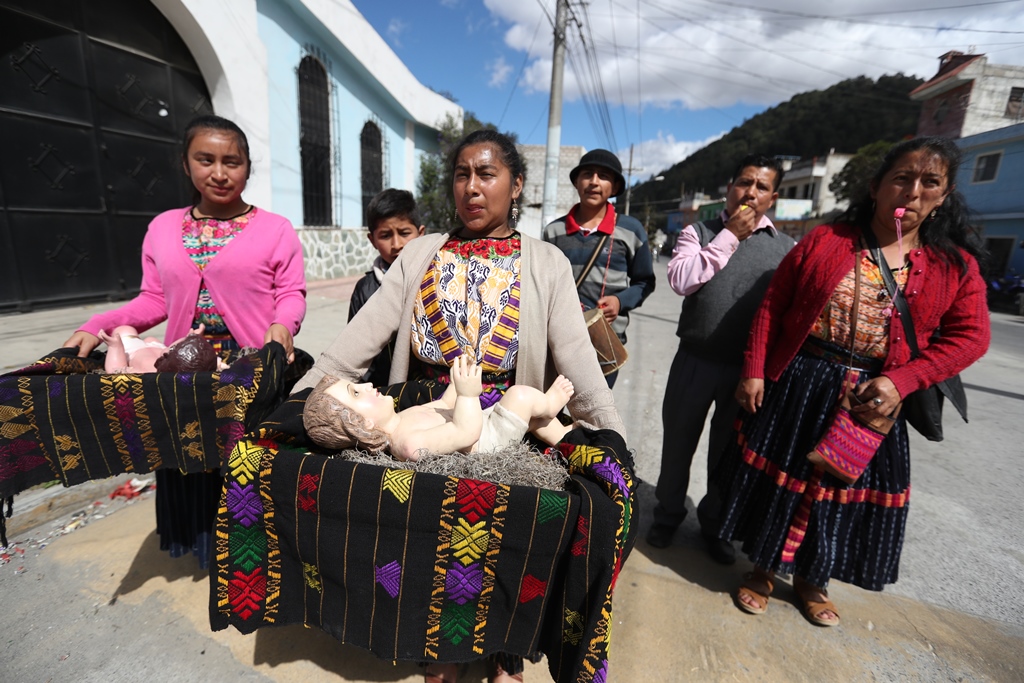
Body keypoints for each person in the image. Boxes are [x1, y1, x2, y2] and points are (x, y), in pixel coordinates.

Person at [293, 129, 624, 683]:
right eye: (462, 174)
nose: (472, 187)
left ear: (516, 185)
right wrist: (302, 399)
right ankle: (439, 652)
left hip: (506, 430)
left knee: (500, 553)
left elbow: (580, 365)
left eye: (487, 174)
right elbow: (356, 342)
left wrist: (610, 437)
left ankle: (501, 651)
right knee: (428, 552)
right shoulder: (420, 253)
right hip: (423, 426)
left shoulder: (545, 262)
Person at [715, 137, 989, 626]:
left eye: (930, 182)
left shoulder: (955, 266)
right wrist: (755, 368)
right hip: (802, 382)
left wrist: (904, 380)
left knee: (839, 494)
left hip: (875, 397)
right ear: (877, 186)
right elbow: (775, 304)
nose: (914, 191)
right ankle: (762, 567)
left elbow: (970, 338)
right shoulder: (829, 240)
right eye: (902, 177)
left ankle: (812, 580)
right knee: (784, 482)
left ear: (944, 196)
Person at [62, 114, 307, 569]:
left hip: (244, 370)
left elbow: (290, 294)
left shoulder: (276, 229)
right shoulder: (162, 228)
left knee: (242, 462)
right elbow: (152, 298)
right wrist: (99, 323)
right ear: (185, 164)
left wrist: (284, 326)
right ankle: (202, 546)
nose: (219, 172)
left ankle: (252, 557)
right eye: (205, 159)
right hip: (178, 374)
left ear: (248, 168)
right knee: (187, 458)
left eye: (231, 161)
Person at [647, 154, 794, 565]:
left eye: (761, 186)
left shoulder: (784, 249)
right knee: (678, 445)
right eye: (744, 182)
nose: (751, 192)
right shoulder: (699, 232)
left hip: (747, 375)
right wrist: (727, 236)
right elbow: (681, 280)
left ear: (774, 197)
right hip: (694, 360)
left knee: (727, 455)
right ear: (729, 187)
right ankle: (667, 515)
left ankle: (715, 526)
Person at [304, 354, 574, 461]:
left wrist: (458, 383)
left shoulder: (403, 418)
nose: (367, 385)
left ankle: (566, 438)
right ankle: (550, 405)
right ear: (363, 425)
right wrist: (469, 395)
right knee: (519, 397)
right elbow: (465, 433)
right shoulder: (408, 444)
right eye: (356, 392)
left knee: (535, 423)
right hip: (488, 443)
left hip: (484, 424)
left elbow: (445, 406)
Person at [542, 149, 655, 387]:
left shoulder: (631, 230)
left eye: (603, 175)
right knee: (553, 414)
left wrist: (620, 302)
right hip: (560, 342)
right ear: (576, 182)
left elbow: (645, 282)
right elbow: (543, 286)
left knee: (593, 417)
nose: (594, 181)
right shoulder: (553, 231)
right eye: (587, 174)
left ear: (614, 187)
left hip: (605, 343)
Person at [348, 188, 425, 387]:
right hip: (380, 393)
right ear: (372, 240)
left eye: (405, 233)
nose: (397, 244)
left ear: (421, 233)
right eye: (385, 235)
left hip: (428, 394)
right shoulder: (365, 289)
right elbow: (356, 352)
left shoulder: (434, 281)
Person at [98, 324, 225, 374]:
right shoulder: (171, 355)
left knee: (125, 329)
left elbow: (115, 371)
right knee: (153, 340)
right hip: (156, 346)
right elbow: (211, 363)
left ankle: (125, 334)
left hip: (132, 349)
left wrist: (115, 347)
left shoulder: (150, 373)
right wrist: (193, 338)